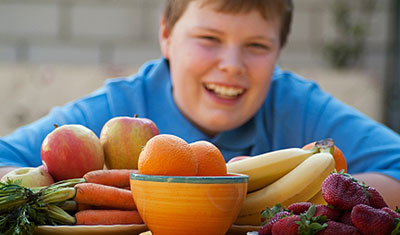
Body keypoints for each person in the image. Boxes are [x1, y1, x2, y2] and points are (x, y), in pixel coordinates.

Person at [1, 0, 400, 208]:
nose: (231, 66)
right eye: (209, 39)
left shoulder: (297, 105)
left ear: (279, 50)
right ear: (167, 36)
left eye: (257, 46)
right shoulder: (116, 109)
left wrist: (290, 194)